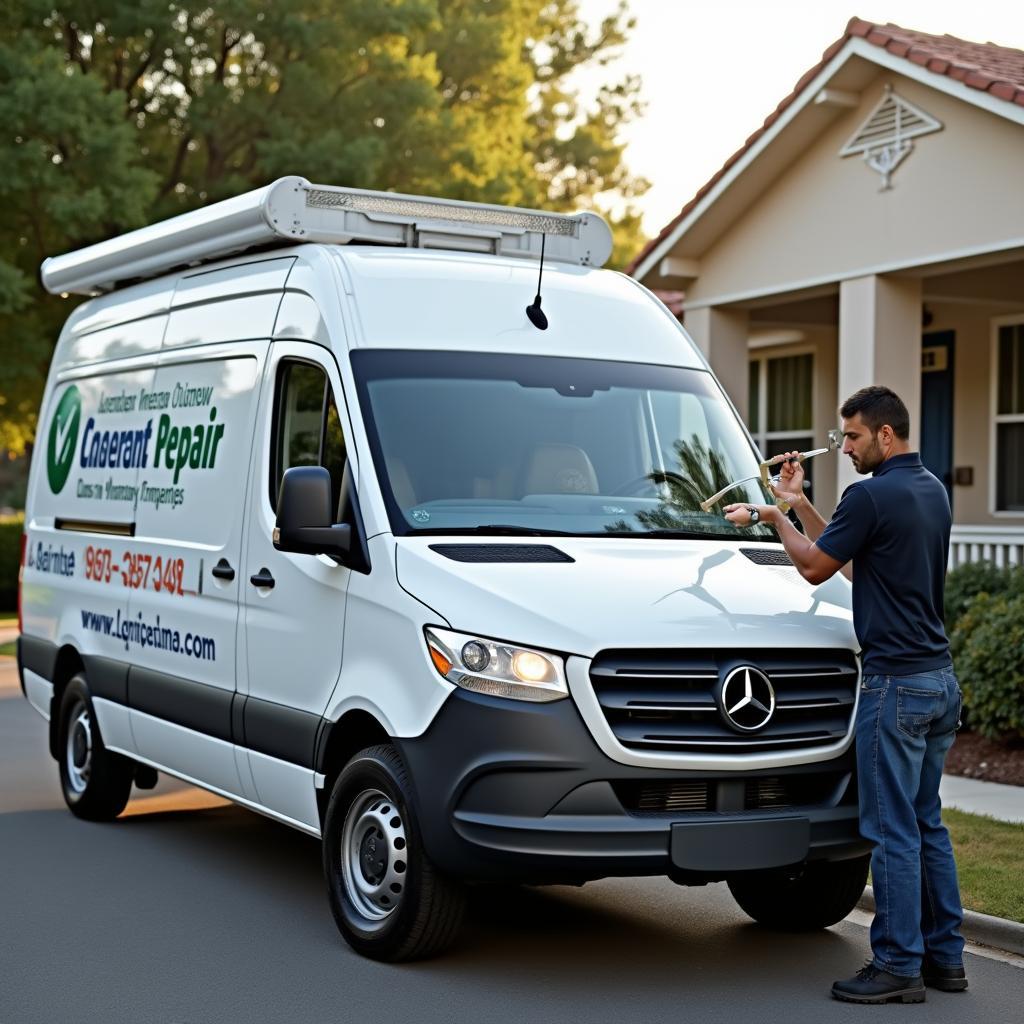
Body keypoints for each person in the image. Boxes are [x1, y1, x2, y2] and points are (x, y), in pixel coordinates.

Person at [724, 385, 965, 1006]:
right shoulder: (930, 491)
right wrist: (800, 502)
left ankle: (895, 966)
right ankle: (947, 959)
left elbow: (812, 568)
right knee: (927, 824)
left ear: (886, 435)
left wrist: (775, 517)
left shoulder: (870, 494)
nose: (846, 447)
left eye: (853, 436)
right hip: (940, 682)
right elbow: (853, 562)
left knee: (891, 831)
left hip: (895, 685)